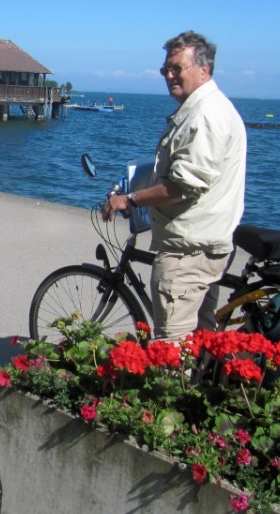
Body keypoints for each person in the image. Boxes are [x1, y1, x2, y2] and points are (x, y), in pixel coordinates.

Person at [102, 31, 246, 340]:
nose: (169, 75)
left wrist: (130, 199)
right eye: (165, 70)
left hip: (188, 251)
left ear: (204, 69)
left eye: (177, 68)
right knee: (202, 339)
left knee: (171, 345)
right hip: (203, 243)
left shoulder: (204, 116)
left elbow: (181, 187)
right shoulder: (203, 109)